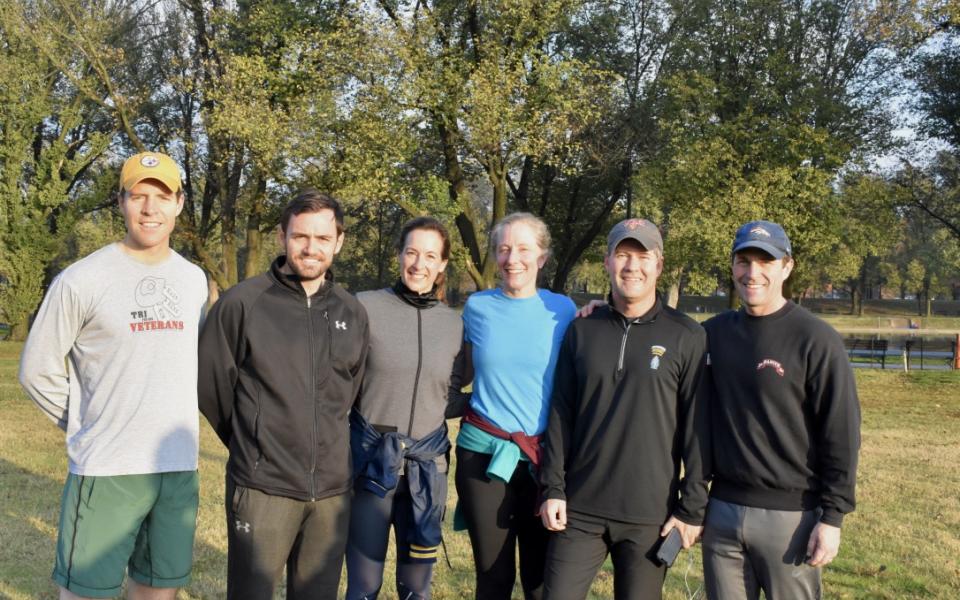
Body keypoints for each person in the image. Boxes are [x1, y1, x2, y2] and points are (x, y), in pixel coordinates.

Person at [19, 152, 208, 600]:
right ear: (119, 202)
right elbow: (36, 369)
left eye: (161, 197)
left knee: (158, 590)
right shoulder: (82, 280)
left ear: (179, 203)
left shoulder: (193, 280)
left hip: (178, 465)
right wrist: (83, 421)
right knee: (88, 593)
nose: (149, 209)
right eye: (138, 196)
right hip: (108, 467)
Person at [197, 190, 369, 599]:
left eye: (323, 239)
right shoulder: (242, 303)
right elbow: (211, 387)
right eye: (300, 237)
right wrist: (253, 441)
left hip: (331, 492)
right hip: (263, 488)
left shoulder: (351, 311)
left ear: (339, 242)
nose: (311, 248)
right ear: (282, 237)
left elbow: (351, 391)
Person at [539, 217, 709, 599]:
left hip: (650, 516)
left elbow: (697, 429)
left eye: (643, 256)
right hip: (579, 511)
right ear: (607, 262)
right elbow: (560, 413)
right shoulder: (582, 329)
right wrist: (553, 488)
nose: (632, 266)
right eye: (623, 255)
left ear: (659, 265)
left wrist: (691, 507)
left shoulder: (687, 336)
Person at [700, 220, 861, 600]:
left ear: (786, 267)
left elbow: (841, 433)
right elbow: (655, 333)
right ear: (733, 266)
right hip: (721, 513)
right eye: (744, 261)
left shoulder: (816, 339)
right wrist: (602, 312)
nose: (752, 273)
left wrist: (832, 518)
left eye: (766, 261)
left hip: (792, 521)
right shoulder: (711, 334)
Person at [345, 216, 470, 600]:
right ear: (399, 254)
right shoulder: (363, 307)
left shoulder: (454, 325)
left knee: (416, 589)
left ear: (443, 264)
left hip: (426, 471)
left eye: (431, 255)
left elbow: (448, 392)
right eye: (412, 252)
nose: (419, 264)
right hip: (371, 465)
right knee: (364, 587)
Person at [454, 212, 577, 600]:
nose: (513, 259)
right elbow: (460, 374)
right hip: (484, 457)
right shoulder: (476, 308)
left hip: (545, 461)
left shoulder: (565, 311)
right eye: (504, 249)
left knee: (540, 581)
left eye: (524, 249)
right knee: (493, 577)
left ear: (542, 258)